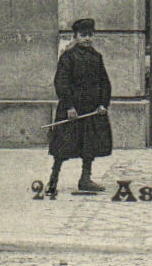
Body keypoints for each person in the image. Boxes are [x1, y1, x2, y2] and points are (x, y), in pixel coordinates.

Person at [44, 17, 113, 197]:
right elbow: (61, 83)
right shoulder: (68, 57)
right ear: (75, 36)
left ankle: (85, 178)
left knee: (90, 145)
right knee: (63, 145)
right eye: (83, 35)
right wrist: (69, 106)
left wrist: (102, 104)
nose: (87, 39)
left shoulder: (96, 57)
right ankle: (53, 179)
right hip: (72, 109)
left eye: (90, 35)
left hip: (91, 110)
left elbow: (104, 83)